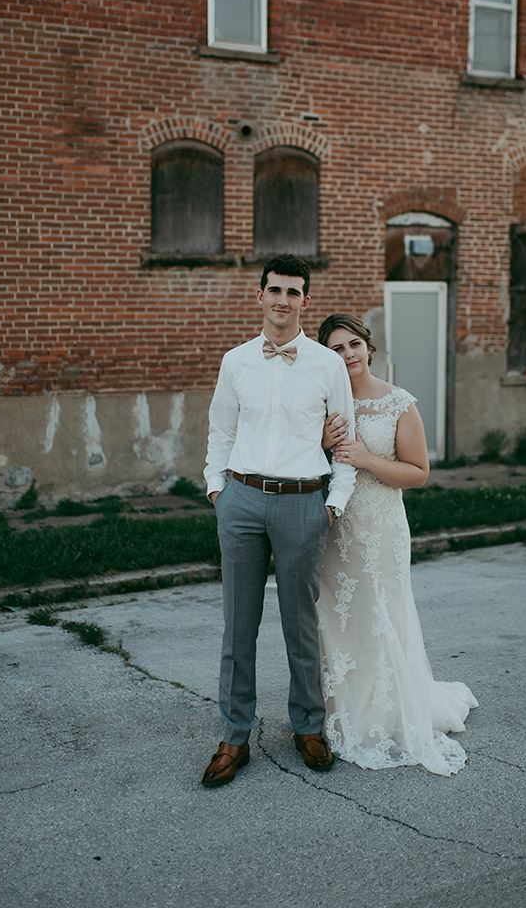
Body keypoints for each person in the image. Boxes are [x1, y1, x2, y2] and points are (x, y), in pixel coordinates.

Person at [201, 256, 357, 788]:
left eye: (294, 292)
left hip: (301, 503)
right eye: (275, 290)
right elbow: (220, 430)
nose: (283, 300)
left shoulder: (326, 366)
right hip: (241, 500)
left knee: (301, 625)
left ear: (305, 302)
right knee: (238, 627)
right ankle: (234, 735)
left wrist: (333, 502)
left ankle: (308, 727)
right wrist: (217, 487)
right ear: (259, 295)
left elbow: (347, 443)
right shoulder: (235, 361)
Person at [317, 313, 478, 775]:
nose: (346, 356)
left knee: (381, 612)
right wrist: (320, 443)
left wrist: (367, 459)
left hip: (380, 527)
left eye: (352, 345)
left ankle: (386, 712)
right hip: (334, 528)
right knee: (337, 617)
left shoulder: (397, 403)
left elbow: (419, 472)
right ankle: (339, 709)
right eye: (335, 349)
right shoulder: (324, 401)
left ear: (368, 347)